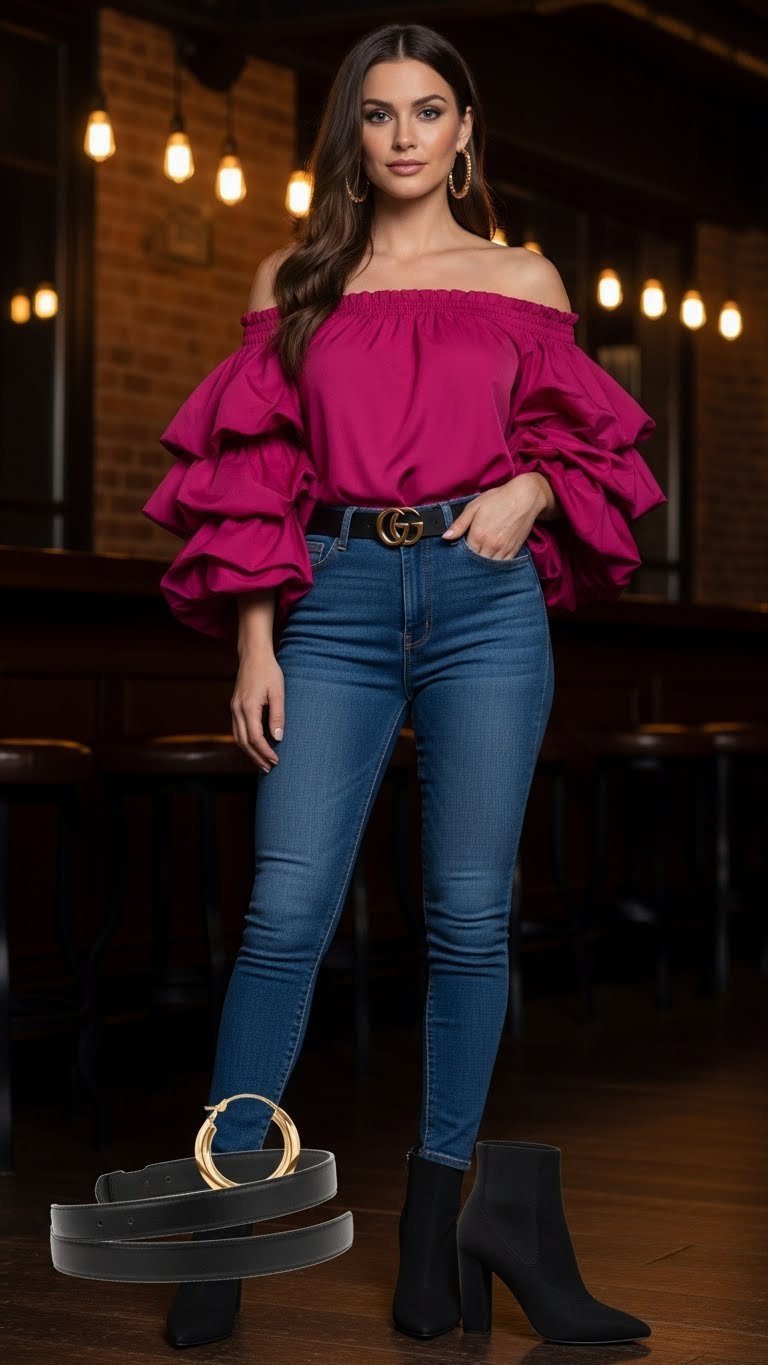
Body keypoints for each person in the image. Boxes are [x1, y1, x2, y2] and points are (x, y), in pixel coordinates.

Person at [142, 20, 665, 1352]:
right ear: (353, 136)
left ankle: (437, 1228)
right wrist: (256, 642)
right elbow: (255, 466)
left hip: (486, 605)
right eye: (379, 115)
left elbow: (584, 448)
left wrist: (533, 490)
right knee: (285, 912)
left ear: (466, 129)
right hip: (333, 602)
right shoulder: (296, 279)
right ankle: (221, 1221)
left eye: (430, 111)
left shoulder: (526, 278)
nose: (406, 137)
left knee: (467, 920)